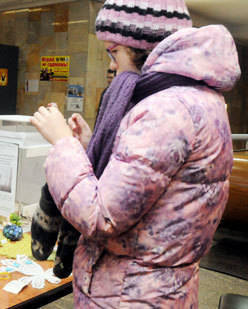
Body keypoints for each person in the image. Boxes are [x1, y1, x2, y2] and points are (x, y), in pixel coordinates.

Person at [30, 0, 240, 307]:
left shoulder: (165, 109)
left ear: (142, 48)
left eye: (114, 51)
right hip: (159, 286)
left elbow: (101, 216)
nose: (112, 65)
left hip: (130, 292)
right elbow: (149, 183)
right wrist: (89, 145)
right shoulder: (198, 97)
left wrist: (63, 144)